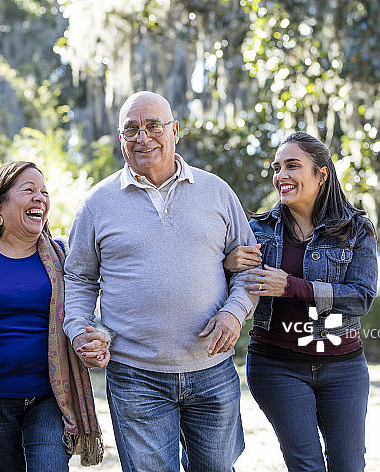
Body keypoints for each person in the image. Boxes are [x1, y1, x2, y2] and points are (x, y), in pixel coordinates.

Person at [63, 91, 258, 472]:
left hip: (212, 368)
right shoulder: (97, 203)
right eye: (131, 129)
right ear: (121, 137)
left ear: (175, 131)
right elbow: (79, 278)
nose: (143, 137)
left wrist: (235, 314)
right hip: (136, 376)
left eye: (153, 126)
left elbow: (249, 265)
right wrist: (79, 330)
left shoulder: (216, 191)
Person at [224, 131, 378, 471]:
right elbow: (230, 289)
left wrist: (293, 286)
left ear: (321, 174)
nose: (282, 176)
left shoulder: (356, 229)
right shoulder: (257, 232)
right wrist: (225, 264)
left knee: (349, 465)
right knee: (306, 465)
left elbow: (361, 298)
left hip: (344, 366)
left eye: (293, 166)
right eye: (277, 168)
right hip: (277, 366)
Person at [0, 161, 107, 472]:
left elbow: (83, 310)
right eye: (29, 190)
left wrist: (94, 340)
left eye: (45, 192)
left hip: (50, 398)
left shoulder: (63, 255)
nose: (41, 198)